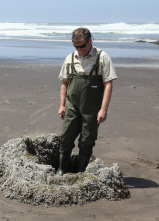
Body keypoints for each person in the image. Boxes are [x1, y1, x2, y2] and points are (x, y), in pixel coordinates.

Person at [56, 28, 118, 176]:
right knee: (66, 138)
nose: (79, 50)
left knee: (87, 141)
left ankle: (81, 171)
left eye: (82, 46)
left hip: (92, 108)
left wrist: (103, 109)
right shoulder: (70, 59)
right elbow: (64, 83)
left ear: (90, 40)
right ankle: (61, 169)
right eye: (76, 46)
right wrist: (62, 105)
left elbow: (108, 84)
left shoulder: (102, 58)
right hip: (72, 106)